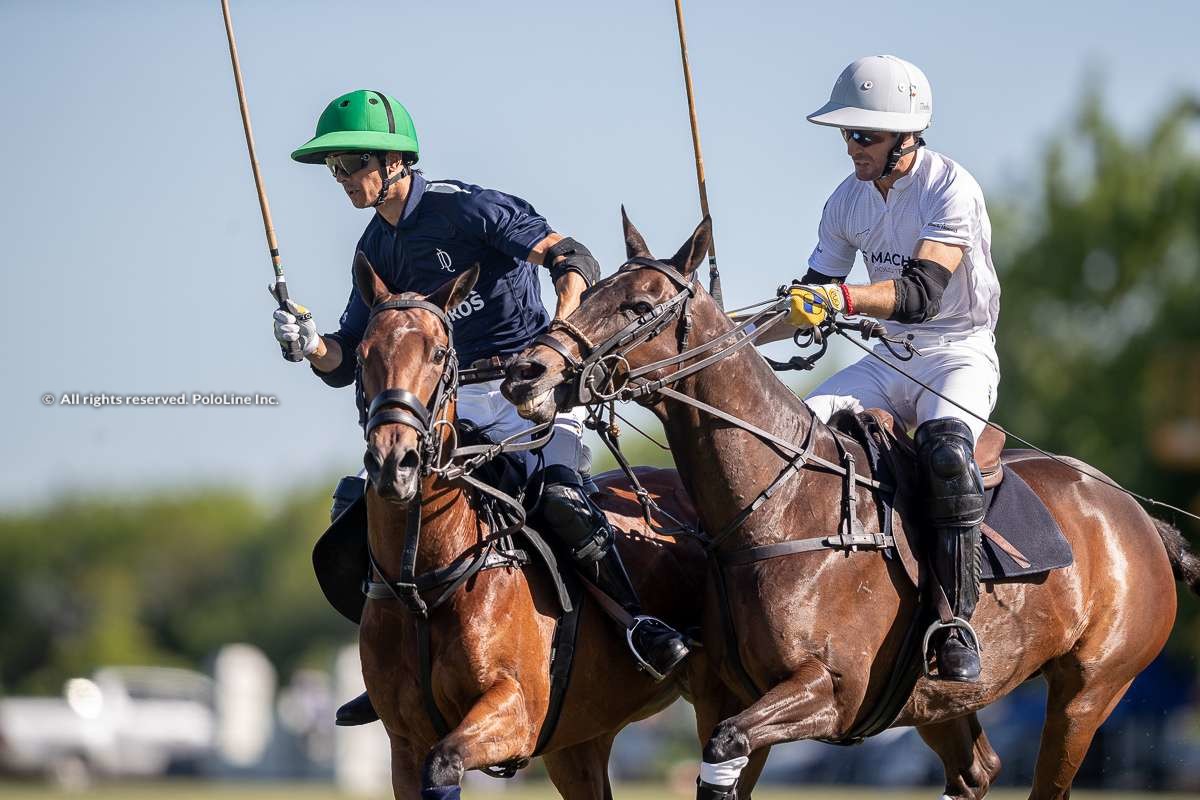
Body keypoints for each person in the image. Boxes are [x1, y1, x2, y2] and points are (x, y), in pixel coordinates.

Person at [274, 90, 689, 724]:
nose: (341, 180)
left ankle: (638, 624)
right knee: (365, 503)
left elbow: (574, 258)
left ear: (392, 161)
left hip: (528, 389)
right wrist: (309, 344)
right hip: (451, 403)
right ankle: (392, 664)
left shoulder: (469, 209)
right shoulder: (374, 249)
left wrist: (558, 340)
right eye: (333, 169)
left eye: (350, 164)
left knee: (554, 498)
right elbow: (345, 360)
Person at [779, 56, 1001, 682]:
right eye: (847, 135)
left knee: (947, 451)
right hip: (887, 358)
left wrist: (840, 300)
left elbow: (921, 293)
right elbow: (811, 292)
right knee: (795, 433)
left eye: (864, 135)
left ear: (907, 135)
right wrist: (727, 335)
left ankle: (954, 619)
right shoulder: (845, 201)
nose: (851, 148)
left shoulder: (950, 187)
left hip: (957, 351)